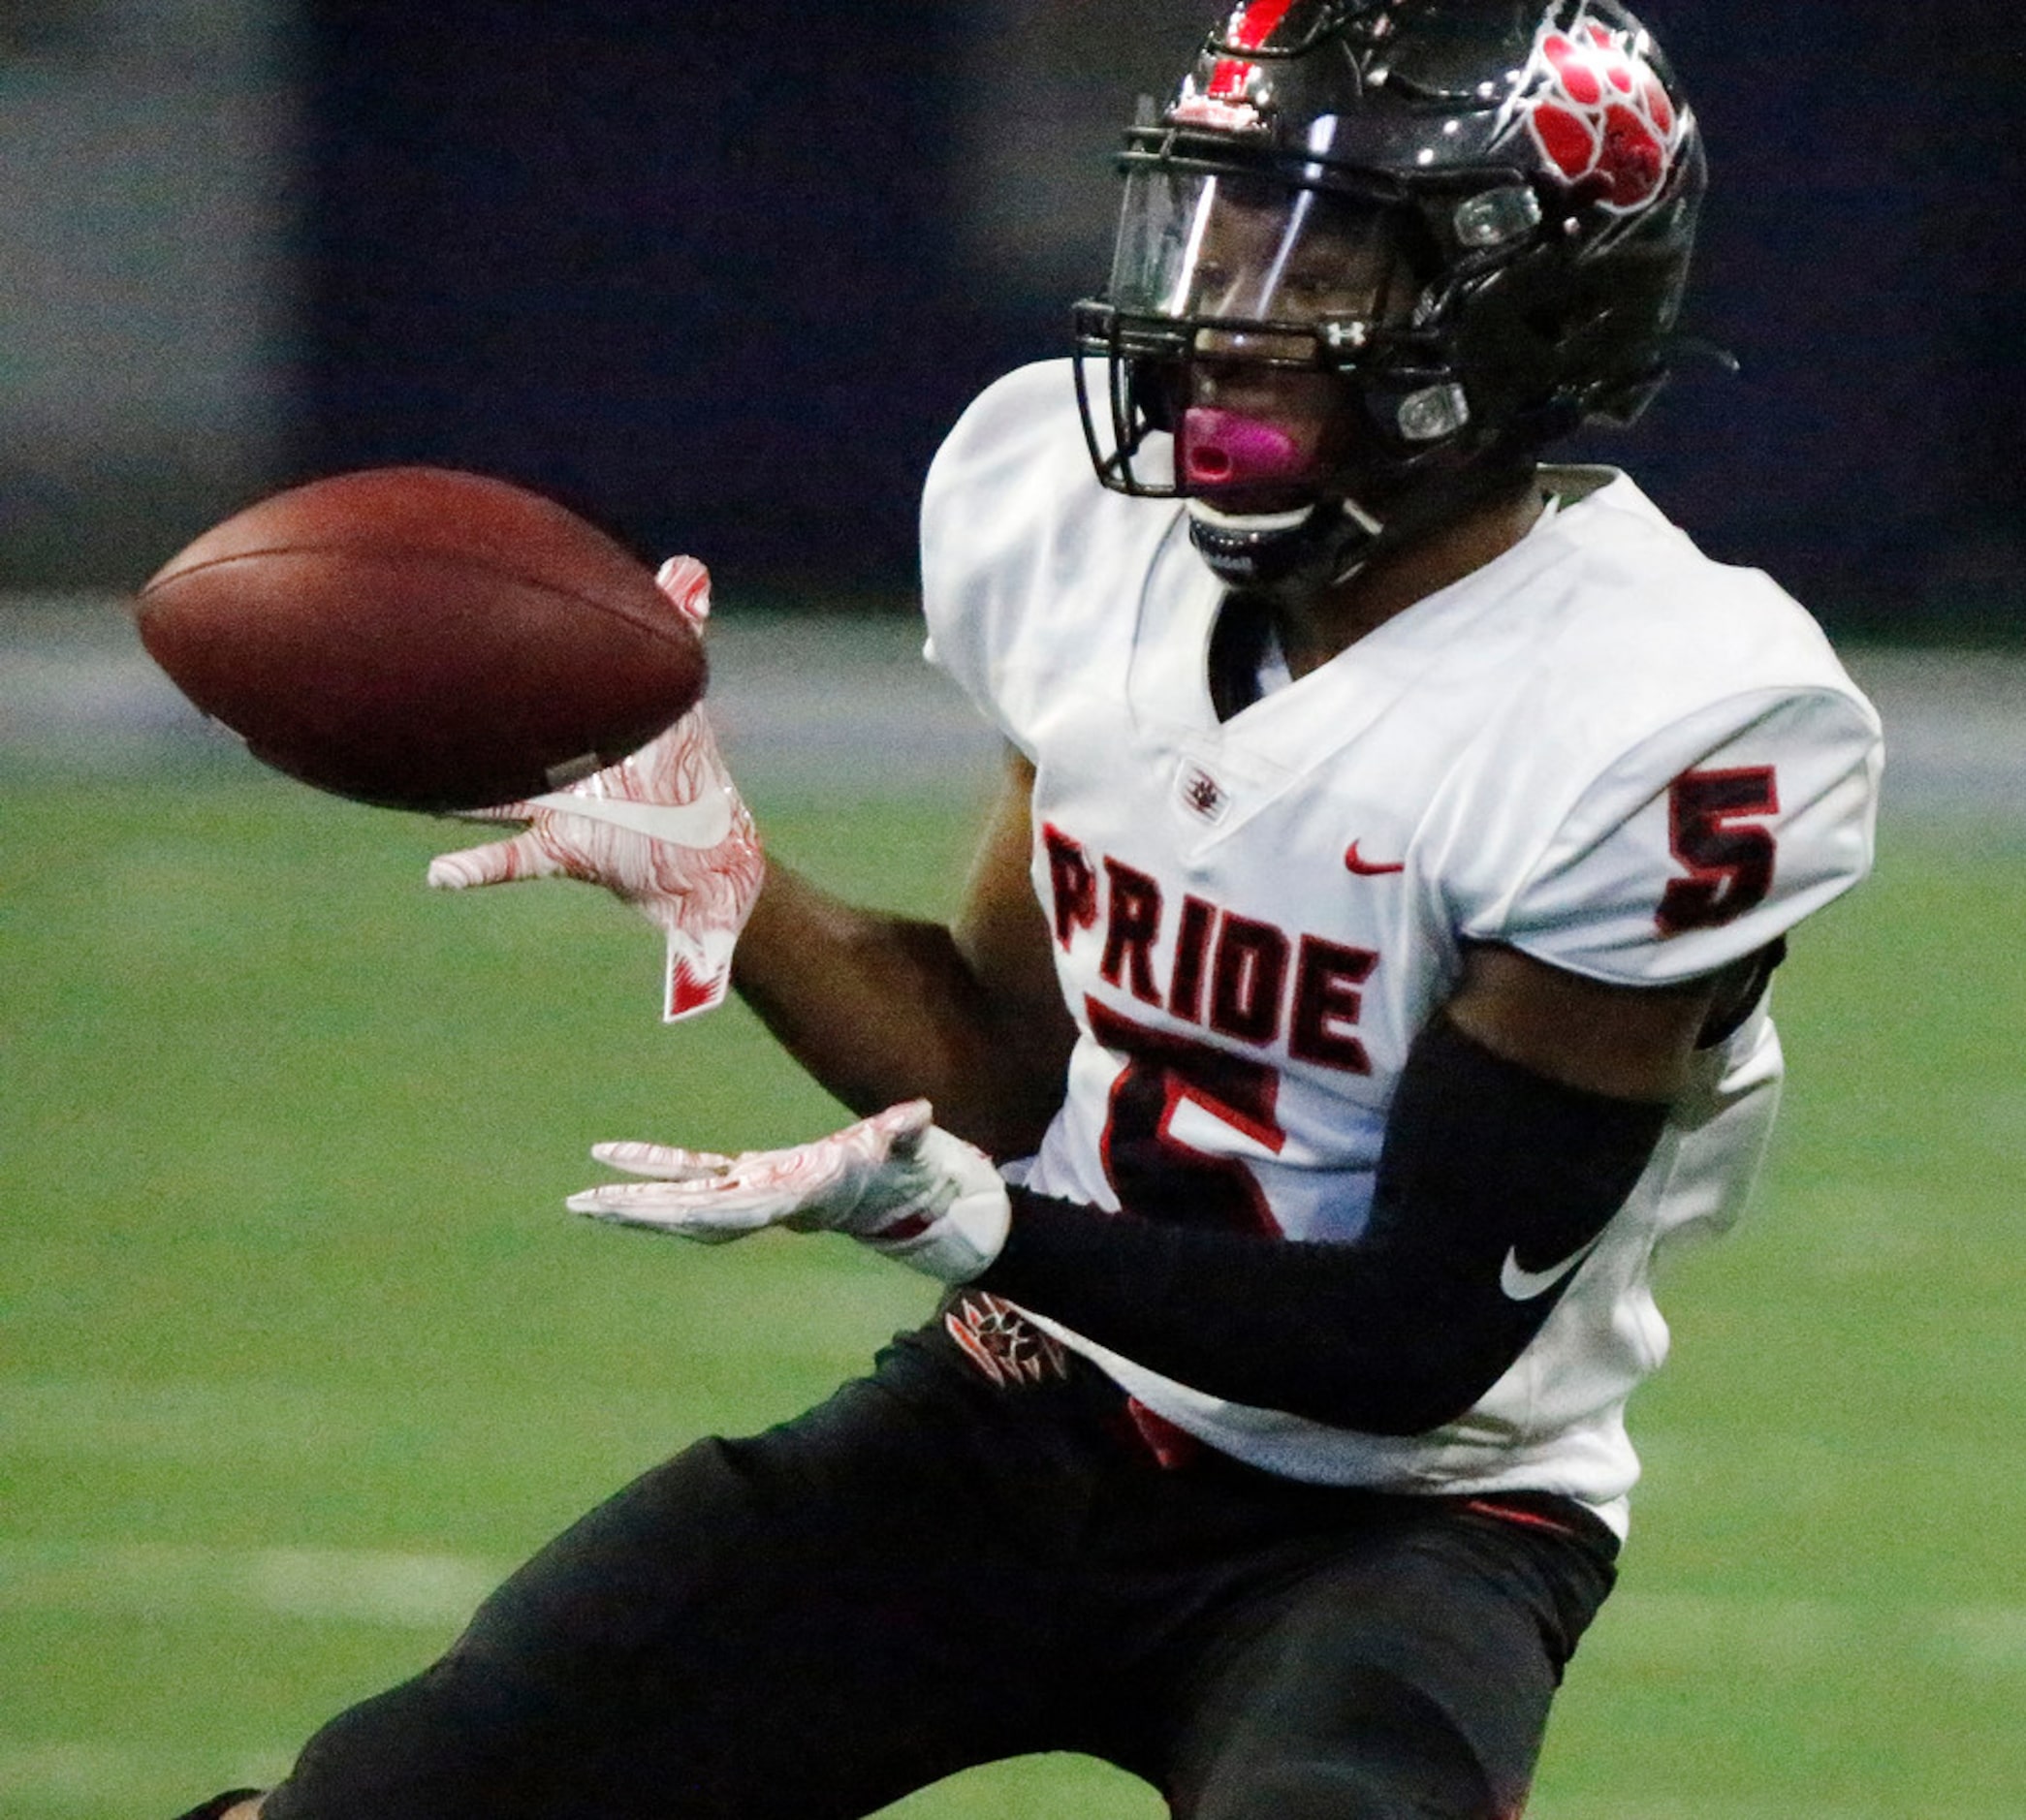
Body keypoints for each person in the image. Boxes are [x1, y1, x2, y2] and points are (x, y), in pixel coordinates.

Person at [174, 2, 1882, 1816]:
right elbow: (998, 1068)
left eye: (1326, 254)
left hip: (1412, 1515)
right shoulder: (1077, 521)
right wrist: (715, 871)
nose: (1228, 305)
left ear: (1532, 313)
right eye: (1217, 225)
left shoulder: (1671, 715)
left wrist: (981, 1226)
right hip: (1019, 1407)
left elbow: (1407, 1338)